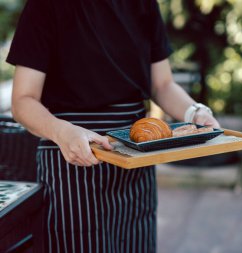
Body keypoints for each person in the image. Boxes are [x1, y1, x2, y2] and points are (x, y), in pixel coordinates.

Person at [6, 0, 220, 252]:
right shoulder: (46, 6)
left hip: (137, 157)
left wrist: (194, 112)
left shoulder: (144, 4)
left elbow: (161, 85)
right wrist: (61, 131)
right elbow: (22, 102)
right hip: (71, 162)